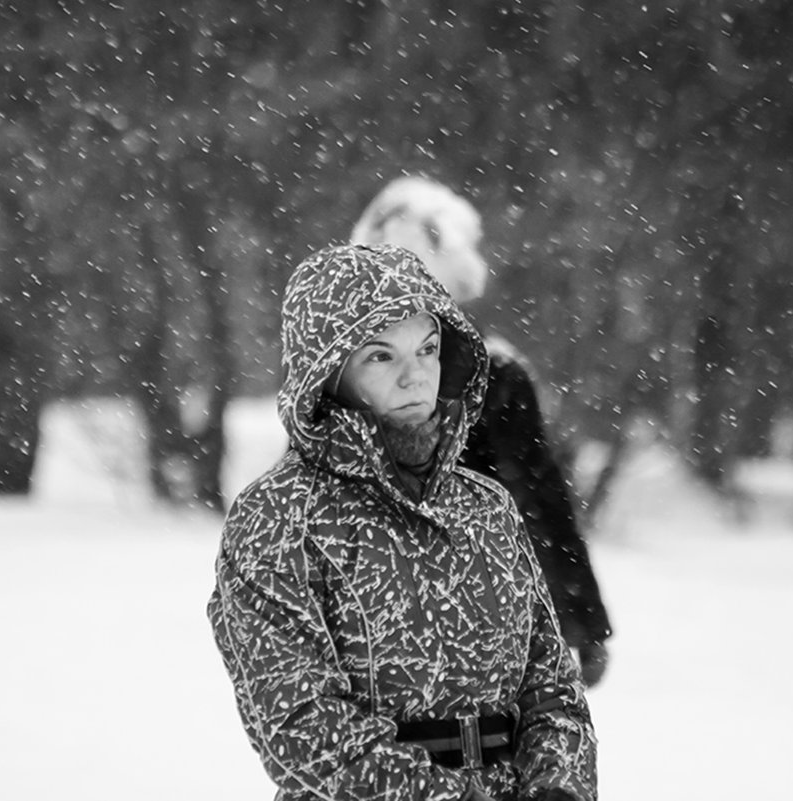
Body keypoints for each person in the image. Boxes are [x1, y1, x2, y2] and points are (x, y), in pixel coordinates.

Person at [207, 243, 596, 801]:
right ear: (327, 370)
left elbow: (551, 688)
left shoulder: (486, 507)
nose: (416, 378)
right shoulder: (278, 518)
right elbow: (302, 728)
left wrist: (559, 787)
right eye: (381, 356)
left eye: (429, 349)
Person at [350, 177, 612, 686]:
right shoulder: (348, 378)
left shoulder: (489, 374)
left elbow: (538, 496)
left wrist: (581, 619)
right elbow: (539, 496)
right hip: (413, 627)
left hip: (455, 628)